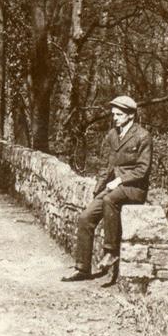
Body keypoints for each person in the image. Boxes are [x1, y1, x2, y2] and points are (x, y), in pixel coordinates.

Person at [63, 94, 151, 284]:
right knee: (85, 217)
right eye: (114, 114)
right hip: (113, 187)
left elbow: (142, 170)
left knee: (110, 200)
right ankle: (82, 268)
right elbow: (105, 165)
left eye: (119, 114)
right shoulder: (112, 135)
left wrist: (119, 180)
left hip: (134, 188)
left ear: (130, 115)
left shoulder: (143, 136)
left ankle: (110, 252)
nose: (115, 118)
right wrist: (97, 189)